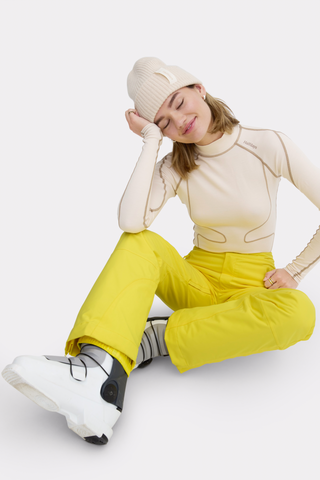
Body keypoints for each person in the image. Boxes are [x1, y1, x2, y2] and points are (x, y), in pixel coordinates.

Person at [2, 57, 319, 446]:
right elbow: (131, 222)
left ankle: (157, 337)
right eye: (163, 120)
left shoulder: (266, 143)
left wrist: (297, 270)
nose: (178, 120)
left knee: (300, 314)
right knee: (139, 243)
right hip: (196, 282)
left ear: (199, 89)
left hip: (255, 284)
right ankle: (96, 373)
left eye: (179, 101)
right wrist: (151, 140)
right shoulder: (175, 165)